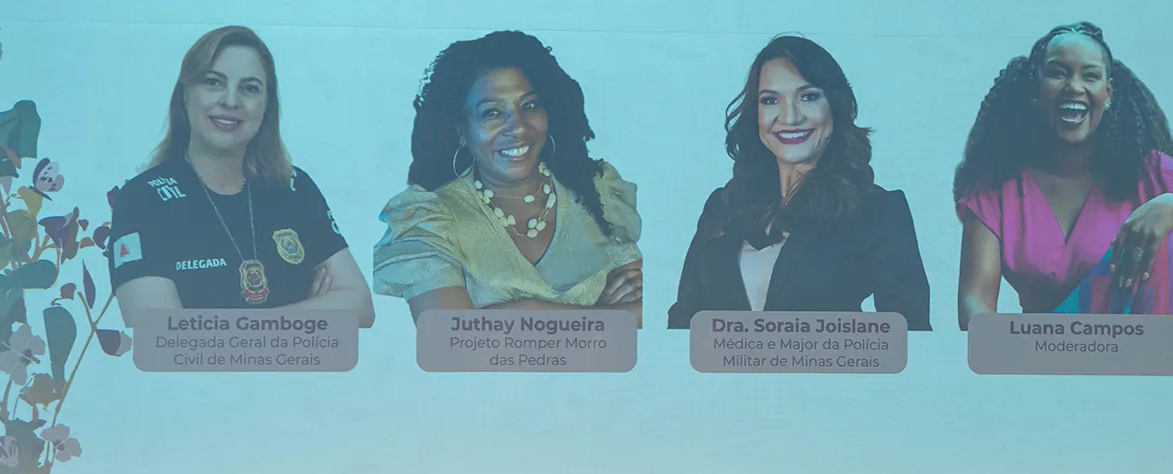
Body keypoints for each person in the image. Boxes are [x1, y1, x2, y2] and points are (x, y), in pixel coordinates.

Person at [108, 26, 374, 322]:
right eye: (213, 82)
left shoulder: (294, 188)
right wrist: (310, 314)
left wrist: (214, 327)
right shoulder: (143, 199)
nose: (231, 101)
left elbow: (360, 305)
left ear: (267, 105)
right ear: (184, 95)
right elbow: (161, 331)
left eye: (249, 88)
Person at [668, 36, 930, 330]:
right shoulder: (723, 205)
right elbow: (684, 318)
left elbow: (909, 336)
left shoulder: (880, 210)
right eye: (770, 100)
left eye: (808, 97)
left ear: (835, 105)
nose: (790, 117)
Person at [373, 32, 642, 317]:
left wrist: (515, 313)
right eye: (492, 113)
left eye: (529, 106)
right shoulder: (429, 219)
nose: (518, 127)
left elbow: (649, 315)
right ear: (460, 130)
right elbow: (449, 333)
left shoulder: (598, 192)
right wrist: (604, 315)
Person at [954, 22, 1173, 331]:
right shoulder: (998, 182)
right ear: (1035, 90)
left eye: (1090, 76)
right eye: (1058, 73)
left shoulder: (1154, 174)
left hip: (1137, 349)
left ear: (1108, 92)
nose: (1074, 86)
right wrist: (1005, 352)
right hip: (1043, 348)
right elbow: (975, 300)